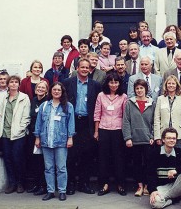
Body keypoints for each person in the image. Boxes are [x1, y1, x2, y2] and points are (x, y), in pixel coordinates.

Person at [63, 58, 101, 195]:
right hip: (72, 122)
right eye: (82, 67)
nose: (85, 69)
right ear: (77, 68)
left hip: (87, 123)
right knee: (71, 155)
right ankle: (71, 183)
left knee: (87, 154)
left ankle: (84, 183)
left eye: (87, 67)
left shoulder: (95, 85)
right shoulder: (68, 83)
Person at [34, 82, 75, 201]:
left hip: (61, 141)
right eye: (54, 89)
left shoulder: (68, 106)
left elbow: (70, 123)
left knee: (61, 167)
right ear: (50, 91)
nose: (56, 92)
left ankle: (62, 191)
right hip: (46, 140)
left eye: (59, 90)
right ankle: (50, 191)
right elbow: (39, 123)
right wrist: (37, 137)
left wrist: (70, 137)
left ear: (62, 92)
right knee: (48, 168)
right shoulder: (44, 105)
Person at [93, 73, 128, 196]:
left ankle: (120, 184)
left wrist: (126, 133)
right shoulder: (101, 96)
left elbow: (125, 116)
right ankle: (105, 184)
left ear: (119, 83)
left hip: (118, 130)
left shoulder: (123, 96)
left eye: (116, 82)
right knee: (103, 158)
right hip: (104, 129)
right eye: (111, 82)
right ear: (107, 83)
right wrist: (96, 131)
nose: (114, 85)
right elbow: (97, 114)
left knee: (119, 158)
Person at [0, 75, 31, 194]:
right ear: (8, 84)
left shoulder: (24, 98)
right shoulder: (4, 98)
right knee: (8, 159)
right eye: (11, 82)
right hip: (5, 133)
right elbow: (1, 115)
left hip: (18, 134)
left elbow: (26, 117)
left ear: (19, 84)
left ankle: (21, 183)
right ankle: (12, 183)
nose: (13, 84)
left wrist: (20, 129)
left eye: (16, 82)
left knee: (18, 159)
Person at [147, 127, 181, 209]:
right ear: (163, 139)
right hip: (162, 188)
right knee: (156, 204)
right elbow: (149, 174)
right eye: (168, 138)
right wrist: (153, 190)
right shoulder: (155, 153)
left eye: (174, 138)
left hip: (176, 186)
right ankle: (173, 200)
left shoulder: (179, 152)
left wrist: (176, 171)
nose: (172, 140)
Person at [122, 79, 155, 197]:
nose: (139, 90)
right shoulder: (129, 103)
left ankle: (147, 185)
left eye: (141, 88)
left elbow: (154, 121)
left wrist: (153, 136)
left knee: (148, 163)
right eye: (137, 88)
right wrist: (128, 138)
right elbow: (126, 121)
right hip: (134, 140)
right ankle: (140, 186)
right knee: (136, 163)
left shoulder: (152, 103)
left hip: (148, 139)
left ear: (146, 89)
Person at [154, 76, 181, 150]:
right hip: (164, 135)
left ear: (177, 85)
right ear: (166, 85)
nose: (171, 85)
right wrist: (157, 136)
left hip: (179, 135)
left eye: (173, 83)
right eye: (169, 83)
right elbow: (157, 119)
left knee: (179, 159)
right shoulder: (160, 99)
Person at [25, 81, 49, 196]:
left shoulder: (47, 102)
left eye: (43, 87)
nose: (40, 89)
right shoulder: (33, 100)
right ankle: (36, 184)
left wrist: (38, 136)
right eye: (38, 87)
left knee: (42, 161)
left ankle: (43, 186)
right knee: (34, 161)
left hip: (42, 135)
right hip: (32, 134)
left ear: (46, 90)